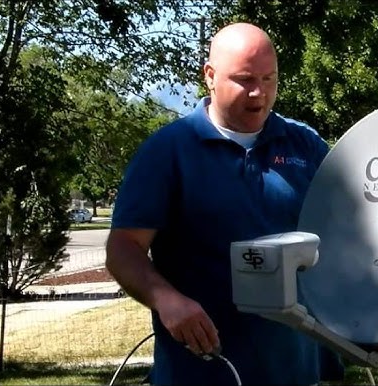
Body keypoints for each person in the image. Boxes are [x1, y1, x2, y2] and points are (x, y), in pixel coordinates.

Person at [106, 22, 343, 385]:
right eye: (245, 80)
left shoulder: (305, 145)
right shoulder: (169, 151)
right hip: (200, 371)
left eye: (269, 79)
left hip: (296, 369)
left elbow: (343, 230)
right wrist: (167, 300)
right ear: (210, 76)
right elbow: (124, 248)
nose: (258, 94)